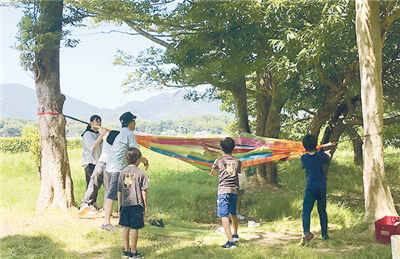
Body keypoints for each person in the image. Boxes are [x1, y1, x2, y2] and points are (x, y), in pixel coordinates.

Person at [101, 112, 149, 231]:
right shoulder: (129, 134)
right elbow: (136, 153)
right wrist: (144, 161)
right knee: (112, 194)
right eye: (134, 121)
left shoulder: (121, 134)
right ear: (131, 122)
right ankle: (106, 223)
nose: (135, 123)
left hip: (115, 168)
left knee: (123, 193)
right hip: (117, 169)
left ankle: (123, 217)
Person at [299, 134, 331, 246]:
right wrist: (326, 154)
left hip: (310, 187)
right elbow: (327, 159)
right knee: (322, 211)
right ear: (316, 145)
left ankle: (306, 232)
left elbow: (305, 165)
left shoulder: (303, 158)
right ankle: (324, 234)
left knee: (306, 211)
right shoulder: (322, 156)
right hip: (321, 186)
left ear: (304, 146)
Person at [78, 130, 120, 215]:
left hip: (99, 164)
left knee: (92, 185)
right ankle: (106, 210)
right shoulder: (116, 146)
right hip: (108, 166)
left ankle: (85, 203)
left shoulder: (105, 143)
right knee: (108, 188)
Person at [210, 137, 241, 249]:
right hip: (234, 190)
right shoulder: (237, 161)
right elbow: (238, 172)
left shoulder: (218, 161)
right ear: (233, 148)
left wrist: (213, 171)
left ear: (221, 149)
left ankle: (230, 242)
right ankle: (235, 235)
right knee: (233, 213)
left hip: (223, 191)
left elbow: (212, 171)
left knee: (223, 215)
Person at [118, 147, 149, 259]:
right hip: (136, 204)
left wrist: (119, 205)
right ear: (138, 159)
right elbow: (143, 191)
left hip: (124, 204)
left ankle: (126, 251)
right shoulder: (141, 173)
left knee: (126, 227)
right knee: (135, 228)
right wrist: (145, 205)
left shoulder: (122, 172)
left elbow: (119, 191)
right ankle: (134, 252)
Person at [81, 115, 107, 206]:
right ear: (91, 122)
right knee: (91, 186)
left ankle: (93, 204)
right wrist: (102, 135)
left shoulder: (97, 134)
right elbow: (93, 146)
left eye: (100, 122)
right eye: (97, 122)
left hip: (98, 163)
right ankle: (87, 205)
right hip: (90, 163)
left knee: (96, 186)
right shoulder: (87, 134)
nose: (99, 124)